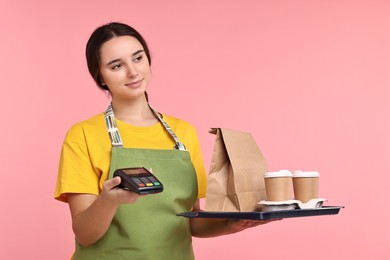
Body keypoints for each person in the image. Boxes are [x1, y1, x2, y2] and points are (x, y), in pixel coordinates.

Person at [55, 22, 275, 260]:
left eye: (138, 58)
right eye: (116, 66)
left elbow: (190, 222)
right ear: (101, 78)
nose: (133, 72)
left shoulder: (183, 133)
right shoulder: (83, 135)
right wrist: (109, 200)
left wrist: (231, 225)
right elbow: (85, 234)